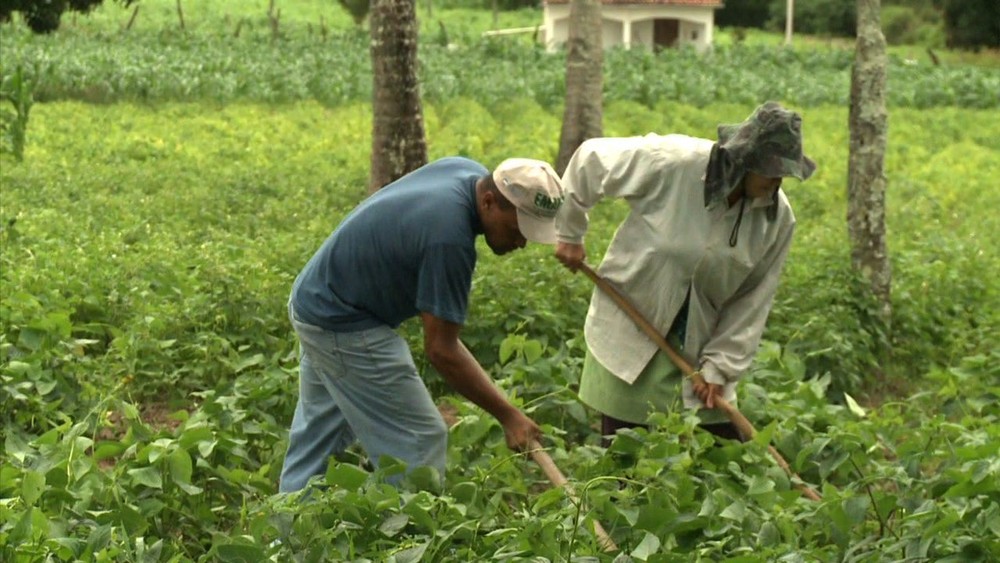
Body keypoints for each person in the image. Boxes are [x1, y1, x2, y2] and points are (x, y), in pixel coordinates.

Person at [279, 156, 565, 492]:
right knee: (418, 439)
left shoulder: (466, 172)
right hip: (342, 321)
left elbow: (445, 339)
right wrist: (508, 415)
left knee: (320, 432)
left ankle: (289, 520)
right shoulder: (449, 240)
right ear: (489, 201)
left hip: (313, 296)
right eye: (517, 230)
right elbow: (442, 350)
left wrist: (507, 411)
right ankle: (407, 524)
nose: (521, 243)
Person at [553, 101, 816, 445]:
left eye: (784, 173)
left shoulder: (777, 219)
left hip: (699, 353)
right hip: (631, 329)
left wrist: (720, 366)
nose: (778, 181)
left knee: (719, 452)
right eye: (771, 171)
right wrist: (570, 233)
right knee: (625, 455)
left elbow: (752, 300)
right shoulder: (674, 162)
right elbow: (591, 159)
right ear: (745, 160)